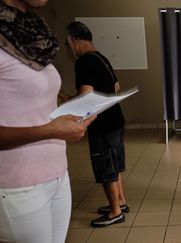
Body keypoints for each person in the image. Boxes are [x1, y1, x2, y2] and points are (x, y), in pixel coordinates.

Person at [0, 0, 95, 242]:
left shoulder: (33, 36)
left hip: (57, 175)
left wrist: (70, 116)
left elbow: (32, 107)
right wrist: (49, 130)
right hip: (17, 185)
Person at [65, 21, 129, 227]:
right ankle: (121, 201)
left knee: (106, 166)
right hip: (116, 119)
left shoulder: (83, 62)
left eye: (67, 44)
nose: (69, 49)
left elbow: (86, 95)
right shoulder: (101, 58)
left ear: (73, 40)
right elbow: (116, 86)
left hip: (101, 124)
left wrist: (67, 103)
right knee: (115, 164)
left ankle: (115, 211)